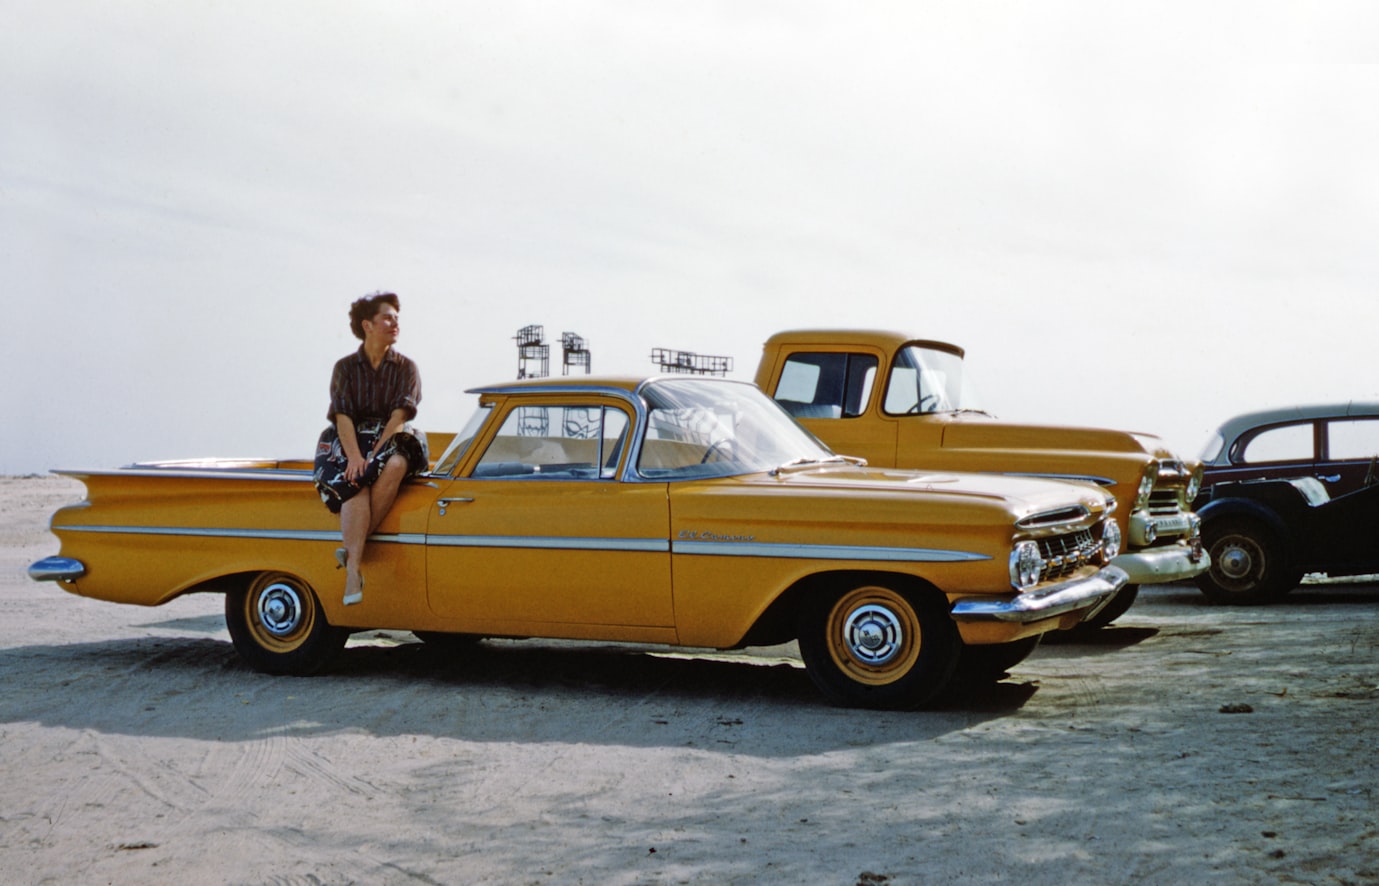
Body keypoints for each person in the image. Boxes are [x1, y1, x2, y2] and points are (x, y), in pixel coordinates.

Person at [312, 292, 428, 605]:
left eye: (396, 318)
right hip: (349, 438)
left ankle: (351, 558)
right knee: (355, 481)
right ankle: (353, 572)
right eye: (387, 317)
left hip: (392, 436)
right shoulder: (345, 368)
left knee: (394, 465)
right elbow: (343, 416)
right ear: (367, 325)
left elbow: (399, 417)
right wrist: (354, 458)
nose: (395, 323)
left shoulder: (407, 368)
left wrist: (375, 454)